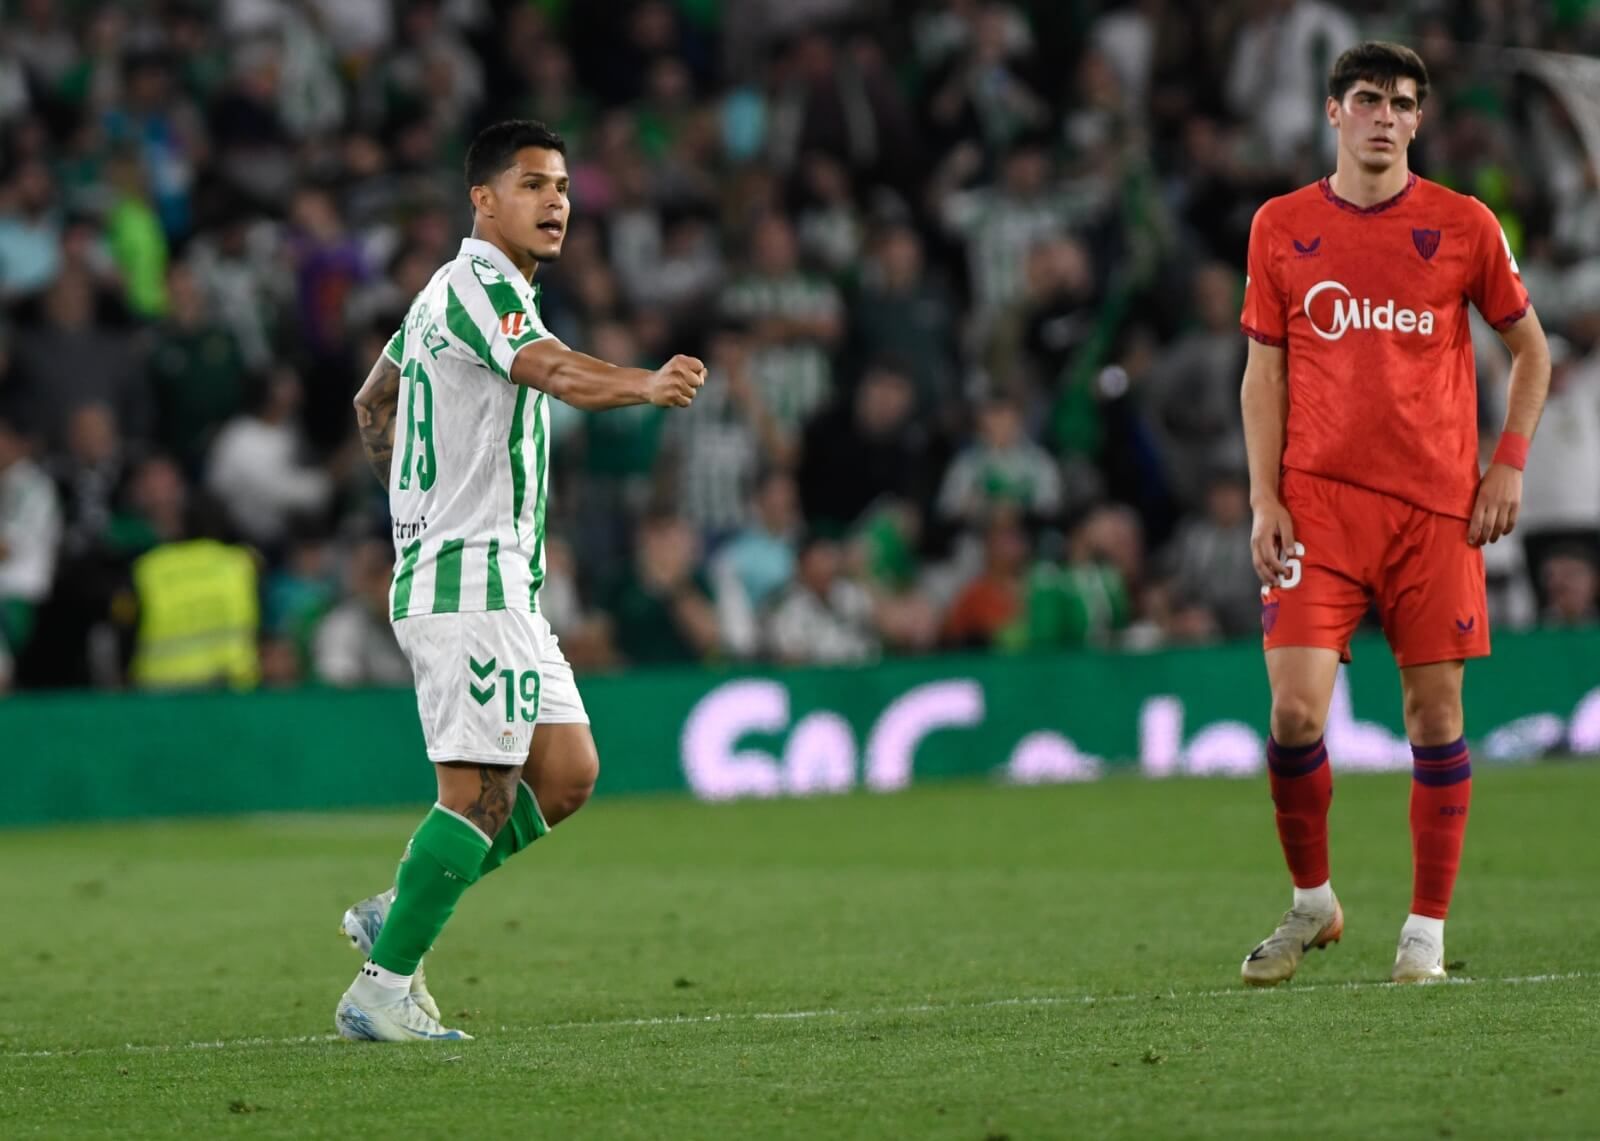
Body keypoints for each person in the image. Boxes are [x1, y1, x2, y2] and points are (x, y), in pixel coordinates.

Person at [335, 120, 707, 1042]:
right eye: (533, 184)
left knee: (569, 772)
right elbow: (551, 371)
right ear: (482, 199)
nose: (556, 202)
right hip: (469, 581)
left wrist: (418, 501)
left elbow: (371, 401)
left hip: (498, 581)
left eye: (564, 187)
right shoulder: (478, 285)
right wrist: (642, 384)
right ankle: (381, 989)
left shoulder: (436, 300)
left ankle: (401, 905)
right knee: (480, 795)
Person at [1238, 43, 1550, 987]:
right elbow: (1266, 371)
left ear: (1419, 121)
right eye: (1368, 98)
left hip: (1434, 511)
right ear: (1334, 112)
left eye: (1403, 103)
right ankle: (1313, 901)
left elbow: (1532, 353)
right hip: (1317, 509)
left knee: (1434, 713)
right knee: (1294, 713)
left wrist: (1508, 467)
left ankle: (1425, 930)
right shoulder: (1280, 225)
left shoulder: (1463, 224)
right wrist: (1263, 494)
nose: (1386, 115)